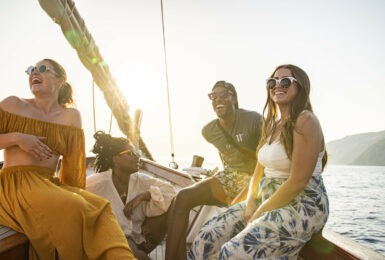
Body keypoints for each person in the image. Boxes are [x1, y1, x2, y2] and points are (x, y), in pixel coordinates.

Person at [187, 65, 329, 259]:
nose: (277, 85)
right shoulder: (272, 124)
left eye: (285, 81)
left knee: (233, 252)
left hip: (302, 203)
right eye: (272, 81)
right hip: (268, 195)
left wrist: (259, 212)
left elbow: (298, 182)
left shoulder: (306, 121)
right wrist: (251, 201)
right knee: (207, 235)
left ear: (301, 87)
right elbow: (259, 169)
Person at [0, 59, 136, 260]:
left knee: (100, 207)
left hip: (47, 184)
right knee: (74, 208)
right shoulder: (13, 104)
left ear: (60, 80)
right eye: (31, 70)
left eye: (42, 69)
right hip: (14, 184)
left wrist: (74, 193)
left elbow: (73, 169)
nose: (33, 73)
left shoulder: (70, 116)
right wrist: (18, 138)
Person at [165, 81, 262, 260]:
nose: (218, 99)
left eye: (224, 94)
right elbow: (225, 154)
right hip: (230, 176)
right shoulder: (209, 131)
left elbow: (265, 159)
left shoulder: (254, 120)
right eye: (213, 96)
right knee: (182, 198)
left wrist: (250, 191)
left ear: (234, 98)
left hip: (256, 177)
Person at [87, 131, 177, 260]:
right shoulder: (97, 184)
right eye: (131, 154)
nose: (137, 157)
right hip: (109, 242)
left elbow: (170, 191)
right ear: (116, 158)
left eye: (138, 154)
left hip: (136, 240)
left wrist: (143, 196)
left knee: (172, 204)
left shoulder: (139, 180)